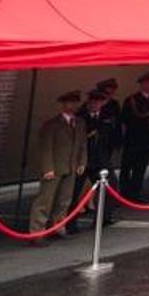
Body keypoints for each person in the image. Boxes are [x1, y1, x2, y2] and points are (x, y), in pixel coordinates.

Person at [29, 90, 88, 241]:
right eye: (69, 102)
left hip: (71, 166)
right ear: (63, 105)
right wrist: (47, 168)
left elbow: (82, 144)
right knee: (45, 200)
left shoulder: (80, 123)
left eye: (75, 102)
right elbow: (46, 147)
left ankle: (57, 227)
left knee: (64, 200)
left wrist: (82, 162)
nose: (72, 105)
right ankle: (37, 232)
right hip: (55, 167)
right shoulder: (52, 125)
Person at [77, 89, 118, 227]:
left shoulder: (107, 117)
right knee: (75, 190)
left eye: (98, 102)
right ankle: (70, 223)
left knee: (109, 186)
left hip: (101, 158)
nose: (95, 105)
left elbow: (112, 137)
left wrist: (107, 154)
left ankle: (103, 219)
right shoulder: (81, 116)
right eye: (93, 102)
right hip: (83, 159)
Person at [120, 72, 149, 201]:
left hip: (147, 138)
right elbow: (125, 118)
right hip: (133, 138)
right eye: (148, 83)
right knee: (127, 166)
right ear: (142, 84)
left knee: (141, 167)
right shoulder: (132, 100)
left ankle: (135, 192)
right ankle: (124, 191)